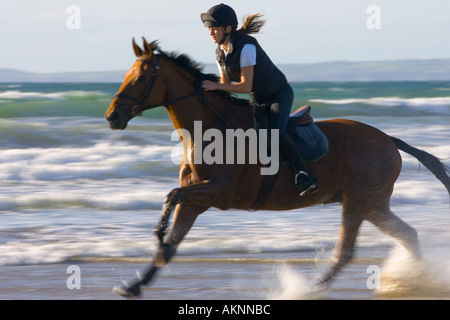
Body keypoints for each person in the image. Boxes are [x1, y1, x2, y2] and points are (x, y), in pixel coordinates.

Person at [201, 3, 317, 197]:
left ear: (228, 29)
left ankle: (304, 175)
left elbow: (245, 86)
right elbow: (226, 88)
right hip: (259, 98)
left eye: (214, 28)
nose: (211, 32)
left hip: (279, 95)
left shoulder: (246, 46)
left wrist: (215, 86)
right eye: (209, 29)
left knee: (275, 134)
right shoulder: (220, 53)